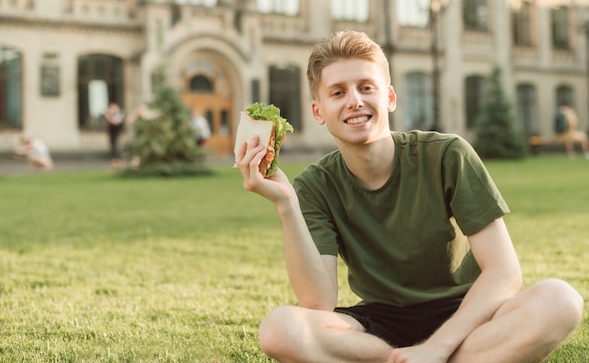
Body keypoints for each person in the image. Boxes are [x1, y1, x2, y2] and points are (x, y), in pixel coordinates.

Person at [236, 30, 583, 363]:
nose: (355, 100)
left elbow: (504, 272)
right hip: (379, 324)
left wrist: (438, 347)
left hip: (465, 315)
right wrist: (286, 205)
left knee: (560, 300)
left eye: (366, 87)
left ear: (389, 97)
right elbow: (318, 302)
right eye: (338, 92)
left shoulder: (447, 154)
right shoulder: (315, 185)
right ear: (318, 111)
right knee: (278, 329)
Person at [104, 102, 125, 169]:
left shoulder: (120, 113)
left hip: (117, 132)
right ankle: (115, 161)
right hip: (111, 132)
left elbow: (116, 122)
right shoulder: (111, 114)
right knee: (113, 146)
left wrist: (110, 117)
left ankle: (120, 161)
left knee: (117, 146)